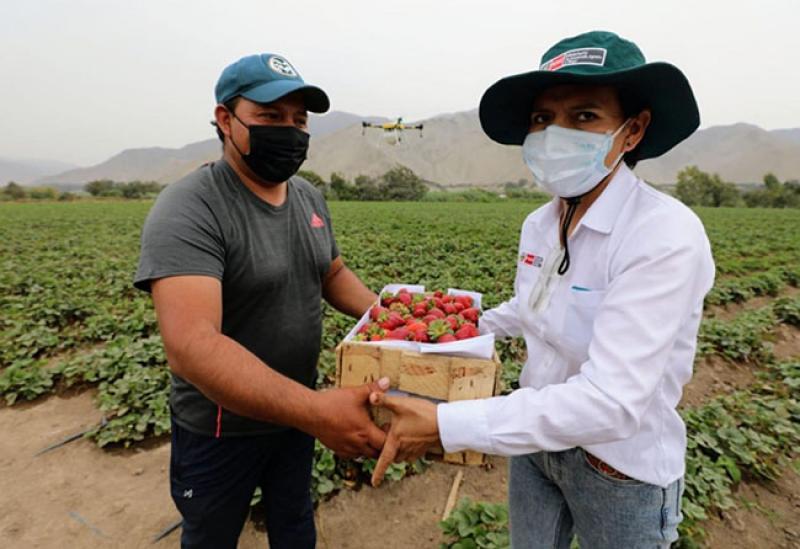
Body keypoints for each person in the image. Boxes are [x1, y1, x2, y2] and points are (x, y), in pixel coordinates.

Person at [370, 31, 715, 548]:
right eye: (542, 119)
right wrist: (462, 326)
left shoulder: (663, 235)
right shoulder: (540, 223)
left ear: (633, 130)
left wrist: (447, 422)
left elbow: (610, 403)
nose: (556, 134)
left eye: (583, 117)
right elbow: (533, 308)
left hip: (618, 467)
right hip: (536, 446)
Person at [134, 53, 387, 549]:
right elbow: (192, 345)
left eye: (299, 120)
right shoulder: (190, 207)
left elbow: (330, 272)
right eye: (271, 117)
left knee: (294, 526)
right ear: (225, 120)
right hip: (222, 429)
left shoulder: (308, 197)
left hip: (296, 410)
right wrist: (318, 413)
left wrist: (390, 316)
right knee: (211, 536)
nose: (290, 132)